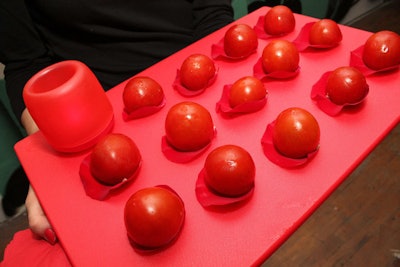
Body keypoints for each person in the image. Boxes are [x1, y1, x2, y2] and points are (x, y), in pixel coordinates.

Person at [0, 0, 233, 255]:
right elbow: (25, 63)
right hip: (96, 123)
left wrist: (207, 74)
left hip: (199, 75)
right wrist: (49, 159)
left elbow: (211, 8)